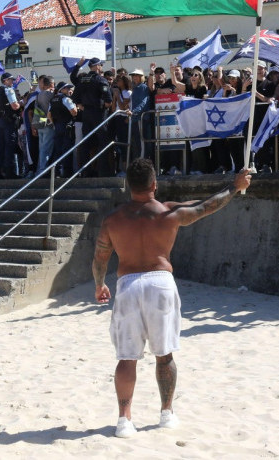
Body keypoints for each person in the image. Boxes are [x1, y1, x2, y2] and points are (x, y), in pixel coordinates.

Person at [93, 158, 251, 438]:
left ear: (128, 186)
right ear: (155, 184)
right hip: (160, 283)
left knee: (127, 358)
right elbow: (206, 206)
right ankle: (166, 413)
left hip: (128, 283)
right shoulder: (169, 214)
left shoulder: (112, 220)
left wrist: (99, 284)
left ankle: (124, 420)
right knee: (164, 356)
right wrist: (235, 187)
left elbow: (100, 257)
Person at [0, 73, 22, 179]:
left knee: (0, 148)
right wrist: (21, 103)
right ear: (5, 80)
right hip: (8, 121)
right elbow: (14, 106)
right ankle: (10, 172)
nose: (12, 81)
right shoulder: (9, 90)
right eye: (10, 80)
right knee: (10, 146)